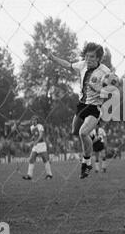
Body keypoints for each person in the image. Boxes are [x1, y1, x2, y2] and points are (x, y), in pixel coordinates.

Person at [44, 42, 112, 179]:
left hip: (95, 108)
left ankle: (86, 163)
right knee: (75, 131)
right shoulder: (82, 65)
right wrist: (52, 58)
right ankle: (89, 149)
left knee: (82, 133)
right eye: (87, 56)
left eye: (92, 57)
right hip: (82, 105)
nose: (88, 59)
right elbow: (68, 65)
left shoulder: (105, 72)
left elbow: (110, 94)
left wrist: (99, 90)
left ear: (98, 58)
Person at [23, 116, 53, 180]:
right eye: (33, 120)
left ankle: (49, 175)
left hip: (41, 145)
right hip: (36, 146)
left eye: (35, 120)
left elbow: (41, 135)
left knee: (45, 159)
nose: (34, 121)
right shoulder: (31, 127)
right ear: (31, 121)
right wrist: (31, 141)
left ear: (37, 121)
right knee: (31, 159)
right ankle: (29, 175)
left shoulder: (40, 126)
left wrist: (36, 141)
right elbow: (34, 136)